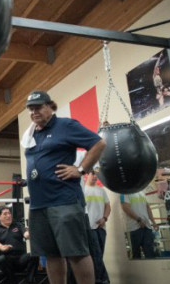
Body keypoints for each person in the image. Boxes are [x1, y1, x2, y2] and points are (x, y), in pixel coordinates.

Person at [21, 90, 106, 284]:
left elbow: (99, 143)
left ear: (50, 106)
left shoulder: (65, 125)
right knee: (51, 254)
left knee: (76, 252)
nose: (34, 112)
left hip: (63, 201)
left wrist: (81, 169)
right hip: (39, 204)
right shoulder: (32, 133)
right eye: (30, 108)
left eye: (39, 107)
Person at [0, 206, 39, 283]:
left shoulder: (18, 225)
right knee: (1, 259)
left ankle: (29, 281)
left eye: (9, 213)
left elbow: (26, 234)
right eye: (5, 214)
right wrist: (2, 247)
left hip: (20, 259)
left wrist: (30, 232)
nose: (8, 216)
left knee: (34, 255)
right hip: (6, 260)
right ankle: (12, 281)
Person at [83, 171, 110, 284]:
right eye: (92, 174)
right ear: (87, 175)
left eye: (96, 175)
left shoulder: (101, 190)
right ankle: (102, 280)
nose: (94, 177)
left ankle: (98, 279)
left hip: (101, 228)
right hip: (90, 228)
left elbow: (108, 207)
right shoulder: (83, 190)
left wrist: (104, 218)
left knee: (99, 255)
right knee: (96, 254)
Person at [120, 191, 158, 259]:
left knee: (150, 253)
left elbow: (147, 208)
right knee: (136, 255)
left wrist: (154, 222)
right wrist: (139, 220)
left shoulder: (142, 192)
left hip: (147, 227)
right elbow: (125, 207)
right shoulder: (124, 192)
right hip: (134, 228)